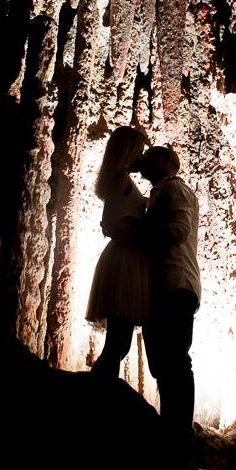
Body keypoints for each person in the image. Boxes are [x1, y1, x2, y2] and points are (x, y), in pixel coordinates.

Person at [139, 145, 202, 443]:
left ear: (167, 161)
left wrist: (136, 230)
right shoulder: (159, 193)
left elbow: (178, 231)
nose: (143, 159)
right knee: (163, 364)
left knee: (174, 360)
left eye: (150, 155)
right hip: (164, 285)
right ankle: (171, 430)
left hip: (175, 283)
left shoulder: (174, 188)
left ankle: (180, 434)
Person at [86, 126, 151, 378]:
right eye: (139, 152)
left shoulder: (126, 179)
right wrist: (139, 237)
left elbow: (144, 202)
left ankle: (101, 391)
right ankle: (100, 394)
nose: (142, 158)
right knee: (117, 341)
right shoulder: (121, 177)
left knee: (120, 342)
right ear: (127, 152)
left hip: (127, 258)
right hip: (123, 259)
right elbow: (109, 222)